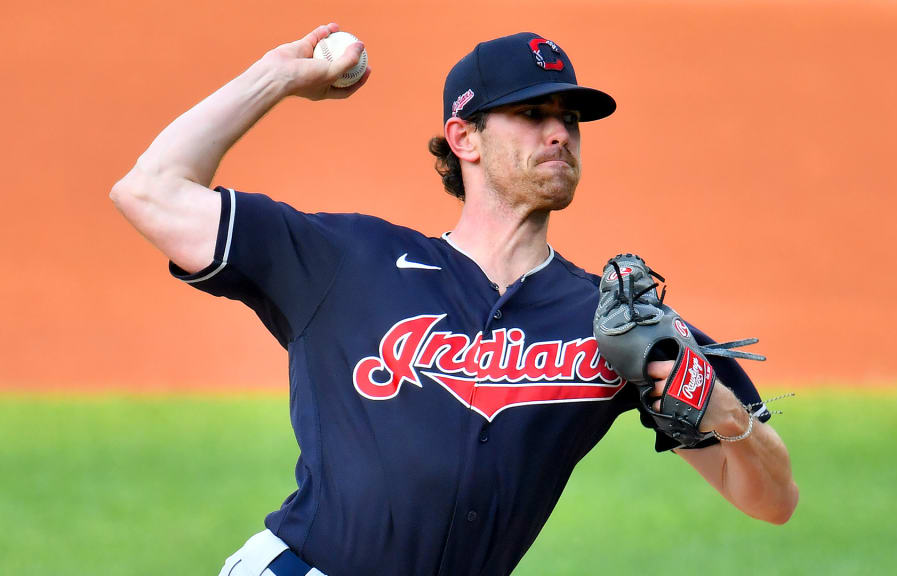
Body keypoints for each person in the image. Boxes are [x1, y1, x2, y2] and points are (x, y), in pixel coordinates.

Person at [111, 23, 798, 576]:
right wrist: (280, 77)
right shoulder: (348, 261)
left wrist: (701, 391)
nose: (560, 132)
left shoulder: (618, 321)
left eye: (570, 119)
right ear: (464, 137)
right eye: (532, 114)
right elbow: (150, 191)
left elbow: (771, 501)